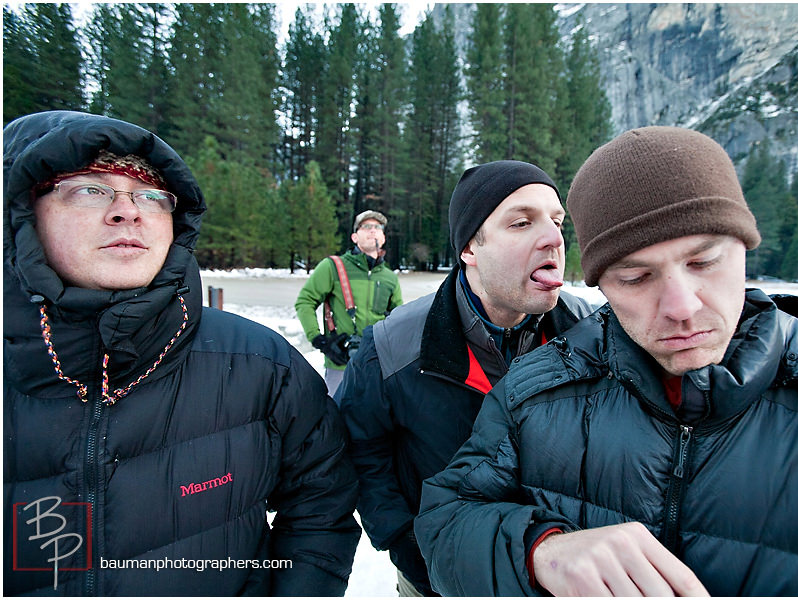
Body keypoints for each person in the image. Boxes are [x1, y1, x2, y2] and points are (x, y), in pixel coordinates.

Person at [415, 127, 798, 596]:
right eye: (635, 276)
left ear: (746, 249)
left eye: (704, 261)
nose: (681, 307)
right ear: (600, 284)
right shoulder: (535, 389)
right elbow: (445, 520)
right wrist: (539, 553)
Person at [3, 111, 361, 596]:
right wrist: (318, 333)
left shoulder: (263, 367)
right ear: (20, 211)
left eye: (151, 194)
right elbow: (307, 301)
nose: (128, 211)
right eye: (89, 188)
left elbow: (323, 502)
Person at [335, 160, 595, 596]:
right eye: (521, 223)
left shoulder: (594, 336)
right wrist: (409, 543)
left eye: (556, 221)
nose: (553, 238)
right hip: (436, 579)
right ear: (470, 248)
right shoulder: (391, 347)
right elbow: (362, 451)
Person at [295, 209, 402, 398]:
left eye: (377, 227)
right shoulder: (332, 267)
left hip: (377, 365)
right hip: (340, 363)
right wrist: (319, 341)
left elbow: (399, 318)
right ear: (354, 237)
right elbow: (305, 302)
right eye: (366, 226)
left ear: (383, 238)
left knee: (373, 421)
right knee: (335, 417)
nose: (372, 231)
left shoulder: (389, 278)